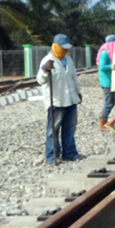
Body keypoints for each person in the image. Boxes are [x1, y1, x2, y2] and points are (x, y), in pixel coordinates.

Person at [36, 33, 84, 164]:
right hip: (57, 101)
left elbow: (74, 77)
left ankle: (70, 153)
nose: (65, 50)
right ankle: (52, 156)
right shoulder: (47, 60)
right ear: (56, 46)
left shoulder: (68, 60)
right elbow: (40, 80)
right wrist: (46, 70)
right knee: (54, 130)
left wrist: (78, 92)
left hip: (71, 99)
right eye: (63, 48)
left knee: (70, 128)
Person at [96, 34, 115, 131]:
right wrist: (114, 65)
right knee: (109, 103)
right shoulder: (105, 53)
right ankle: (102, 123)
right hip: (107, 82)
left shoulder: (109, 53)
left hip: (110, 81)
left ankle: (105, 121)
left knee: (111, 102)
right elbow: (102, 67)